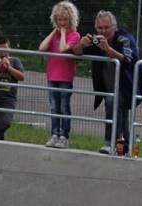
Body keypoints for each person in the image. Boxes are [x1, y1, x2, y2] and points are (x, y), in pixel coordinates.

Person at [72, 11, 142, 155]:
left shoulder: (125, 39)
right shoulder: (95, 41)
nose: (103, 31)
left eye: (107, 27)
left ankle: (109, 142)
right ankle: (126, 148)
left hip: (129, 88)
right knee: (122, 116)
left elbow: (129, 60)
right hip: (109, 87)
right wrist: (81, 45)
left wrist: (108, 49)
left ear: (115, 27)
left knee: (112, 101)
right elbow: (75, 54)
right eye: (100, 28)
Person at [38, 1, 81, 149]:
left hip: (65, 78)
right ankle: (54, 134)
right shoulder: (54, 36)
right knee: (54, 107)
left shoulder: (74, 35)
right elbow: (41, 48)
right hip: (52, 76)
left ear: (71, 20)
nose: (62, 23)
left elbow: (63, 49)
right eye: (59, 20)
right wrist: (53, 32)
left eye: (65, 20)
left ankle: (64, 136)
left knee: (64, 107)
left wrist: (62, 33)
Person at [0, 36, 25, 140]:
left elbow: (21, 77)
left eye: (5, 49)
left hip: (8, 99)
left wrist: (9, 68)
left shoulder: (15, 61)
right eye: (0, 50)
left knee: (5, 122)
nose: (3, 53)